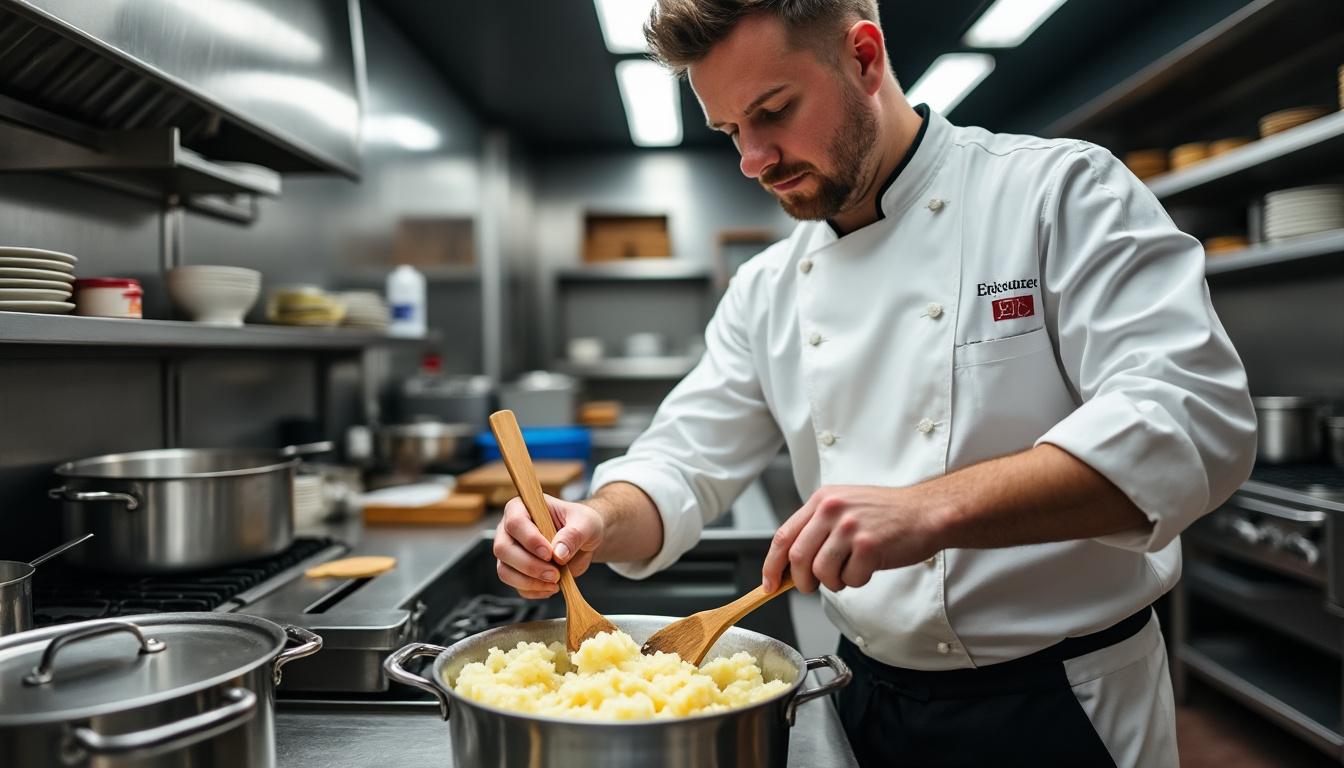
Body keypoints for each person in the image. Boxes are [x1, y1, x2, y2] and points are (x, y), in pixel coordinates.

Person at [493, 1, 1257, 764]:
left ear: (863, 57)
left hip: (1066, 703)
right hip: (862, 698)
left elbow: (1191, 420)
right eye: (730, 130)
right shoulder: (768, 288)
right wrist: (593, 521)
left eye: (773, 111)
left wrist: (927, 509)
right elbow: (683, 461)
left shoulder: (1056, 194)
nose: (753, 159)